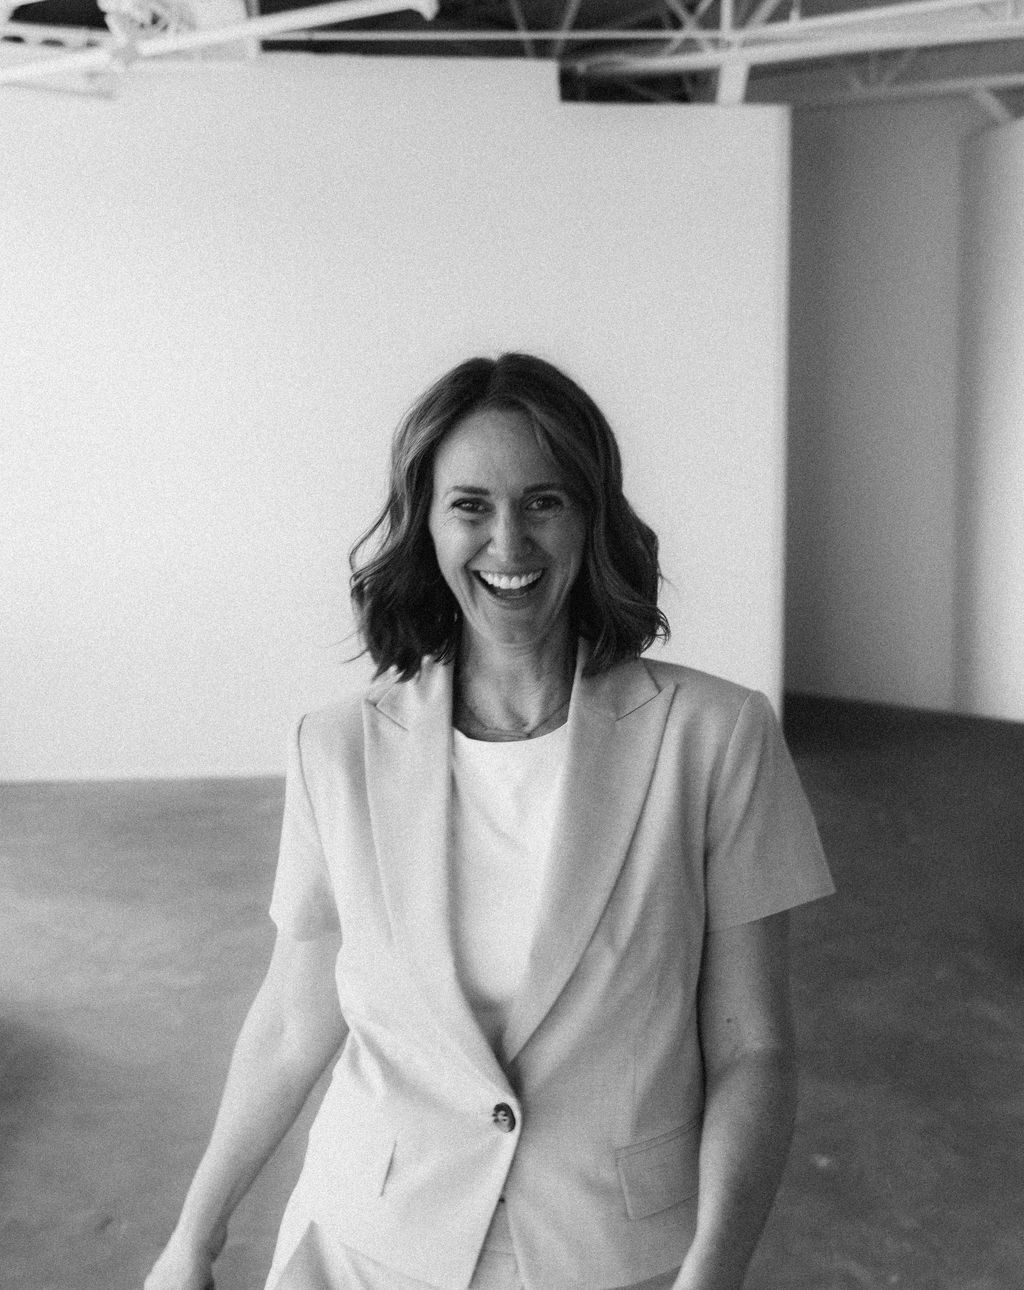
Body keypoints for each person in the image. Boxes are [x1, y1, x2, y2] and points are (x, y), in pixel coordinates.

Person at [144, 352, 833, 1290]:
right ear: (426, 525)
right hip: (362, 1248)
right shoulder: (336, 749)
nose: (509, 542)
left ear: (592, 518)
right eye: (470, 506)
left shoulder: (716, 738)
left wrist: (711, 1274)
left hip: (614, 1257)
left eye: (544, 502)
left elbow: (753, 1047)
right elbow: (295, 1019)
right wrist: (193, 1239)